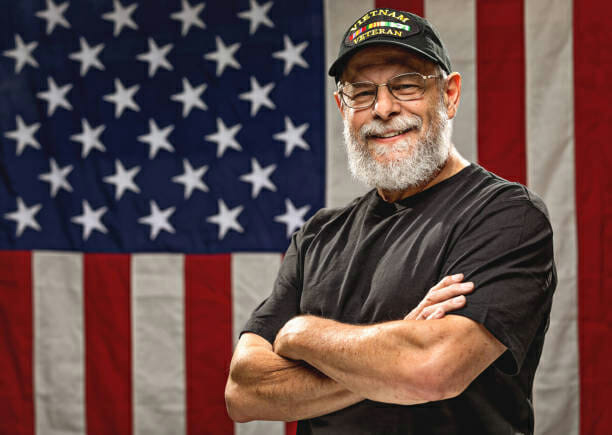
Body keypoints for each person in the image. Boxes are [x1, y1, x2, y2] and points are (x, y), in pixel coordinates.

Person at [225, 8, 556, 435]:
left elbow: (433, 370)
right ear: (342, 106)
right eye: (361, 92)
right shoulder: (318, 237)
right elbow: (243, 392)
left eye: (406, 85)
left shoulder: (504, 215)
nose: (383, 108)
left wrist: (301, 333)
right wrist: (394, 358)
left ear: (450, 95)